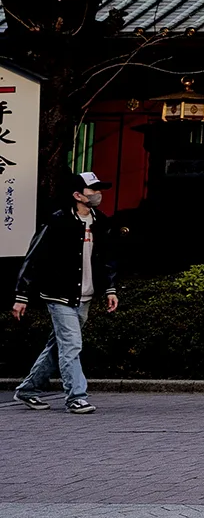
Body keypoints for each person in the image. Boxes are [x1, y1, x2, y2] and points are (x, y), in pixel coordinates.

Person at [12, 171, 119, 413]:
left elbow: (107, 259)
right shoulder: (57, 221)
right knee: (71, 345)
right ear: (77, 195)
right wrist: (22, 295)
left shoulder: (101, 222)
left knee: (59, 345)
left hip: (86, 296)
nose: (98, 194)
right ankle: (76, 396)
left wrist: (110, 288)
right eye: (93, 190)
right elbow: (34, 258)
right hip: (58, 294)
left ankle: (28, 389)